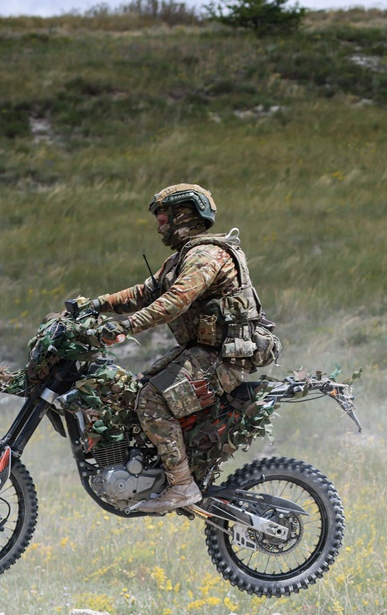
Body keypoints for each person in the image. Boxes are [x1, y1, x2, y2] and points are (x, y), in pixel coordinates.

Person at [88, 183, 276, 513]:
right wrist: (93, 305)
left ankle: (181, 486)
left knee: (152, 398)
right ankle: (154, 472)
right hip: (201, 351)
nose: (159, 223)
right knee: (135, 390)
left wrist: (127, 326)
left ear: (184, 215)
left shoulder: (206, 255)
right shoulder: (180, 259)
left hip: (224, 356)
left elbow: (175, 302)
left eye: (163, 215)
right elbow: (142, 293)